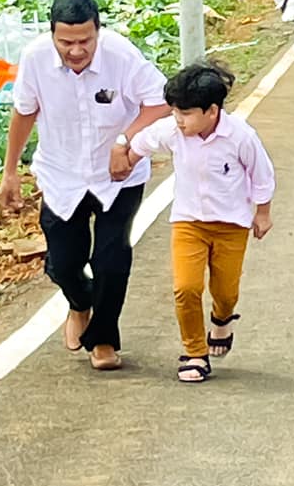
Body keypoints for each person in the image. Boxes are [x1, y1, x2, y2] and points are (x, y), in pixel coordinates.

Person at [1, 0, 170, 372]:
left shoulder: (121, 55)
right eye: (66, 42)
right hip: (61, 175)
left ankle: (104, 338)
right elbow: (24, 112)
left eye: (85, 41)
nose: (76, 51)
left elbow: (159, 102)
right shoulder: (35, 59)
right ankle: (80, 304)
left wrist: (126, 142)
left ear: (98, 31)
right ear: (52, 36)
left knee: (111, 259)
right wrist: (10, 171)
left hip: (118, 176)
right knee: (63, 263)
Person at [110, 61, 275, 385]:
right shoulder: (173, 131)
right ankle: (195, 352)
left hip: (231, 225)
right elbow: (143, 141)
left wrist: (263, 212)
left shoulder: (240, 136)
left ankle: (222, 318)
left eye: (186, 114)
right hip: (189, 222)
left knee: (226, 292)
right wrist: (124, 157)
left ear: (212, 111)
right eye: (175, 112)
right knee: (186, 288)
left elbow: (262, 174)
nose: (178, 120)